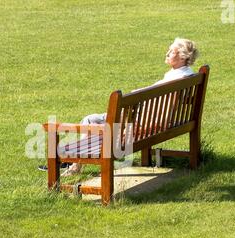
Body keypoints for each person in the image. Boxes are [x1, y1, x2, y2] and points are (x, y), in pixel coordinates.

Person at [40, 38, 200, 176]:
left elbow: (157, 111)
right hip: (161, 121)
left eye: (171, 51)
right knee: (92, 119)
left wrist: (130, 123)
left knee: (90, 121)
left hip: (141, 122)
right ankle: (75, 165)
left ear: (182, 57)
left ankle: (74, 165)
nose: (167, 53)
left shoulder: (175, 79)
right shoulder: (188, 75)